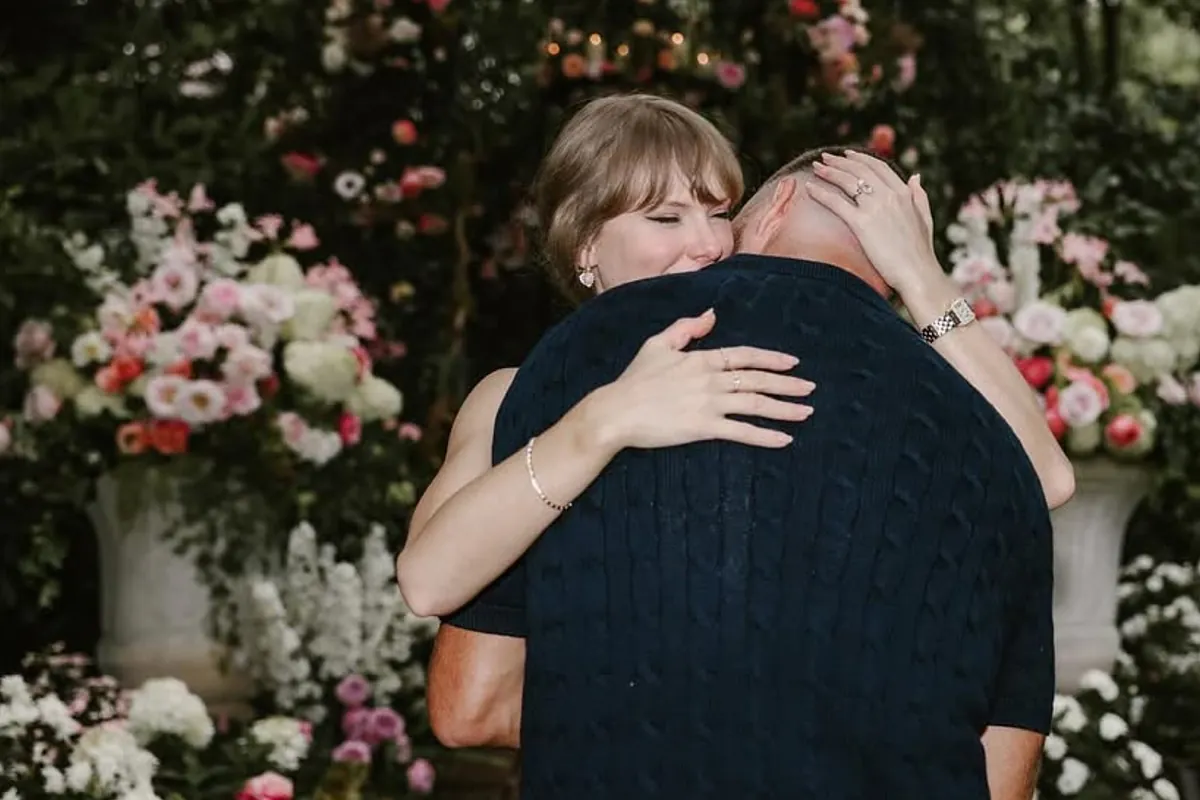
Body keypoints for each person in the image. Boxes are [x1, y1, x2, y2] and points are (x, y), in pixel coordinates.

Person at [424, 146, 1066, 800]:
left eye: (721, 216)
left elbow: (471, 706)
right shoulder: (991, 447)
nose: (708, 247)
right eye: (669, 218)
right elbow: (1003, 775)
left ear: (772, 209)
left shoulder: (560, 368)